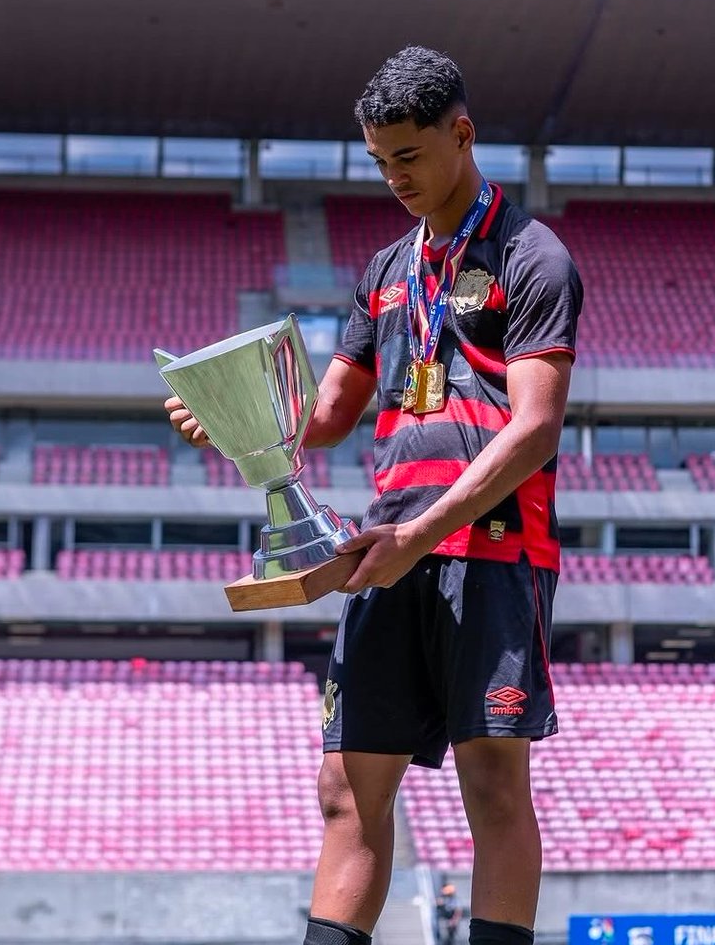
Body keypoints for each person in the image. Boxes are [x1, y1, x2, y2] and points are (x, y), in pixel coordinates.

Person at [166, 46, 582, 945]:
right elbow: (326, 416)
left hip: (491, 549)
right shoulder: (386, 270)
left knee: (492, 782)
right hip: (387, 551)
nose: (394, 177)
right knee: (347, 788)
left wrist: (422, 533)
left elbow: (536, 428)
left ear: (461, 135)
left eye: (409, 155)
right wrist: (239, 421)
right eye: (379, 160)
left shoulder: (533, 256)